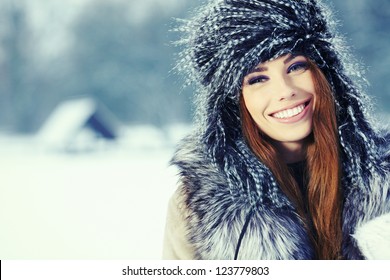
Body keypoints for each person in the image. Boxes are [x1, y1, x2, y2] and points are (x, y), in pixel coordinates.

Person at [163, 0, 390, 260]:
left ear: (326, 74)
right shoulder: (196, 203)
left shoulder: (385, 177)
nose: (285, 90)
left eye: (296, 66)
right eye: (258, 79)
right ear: (233, 101)